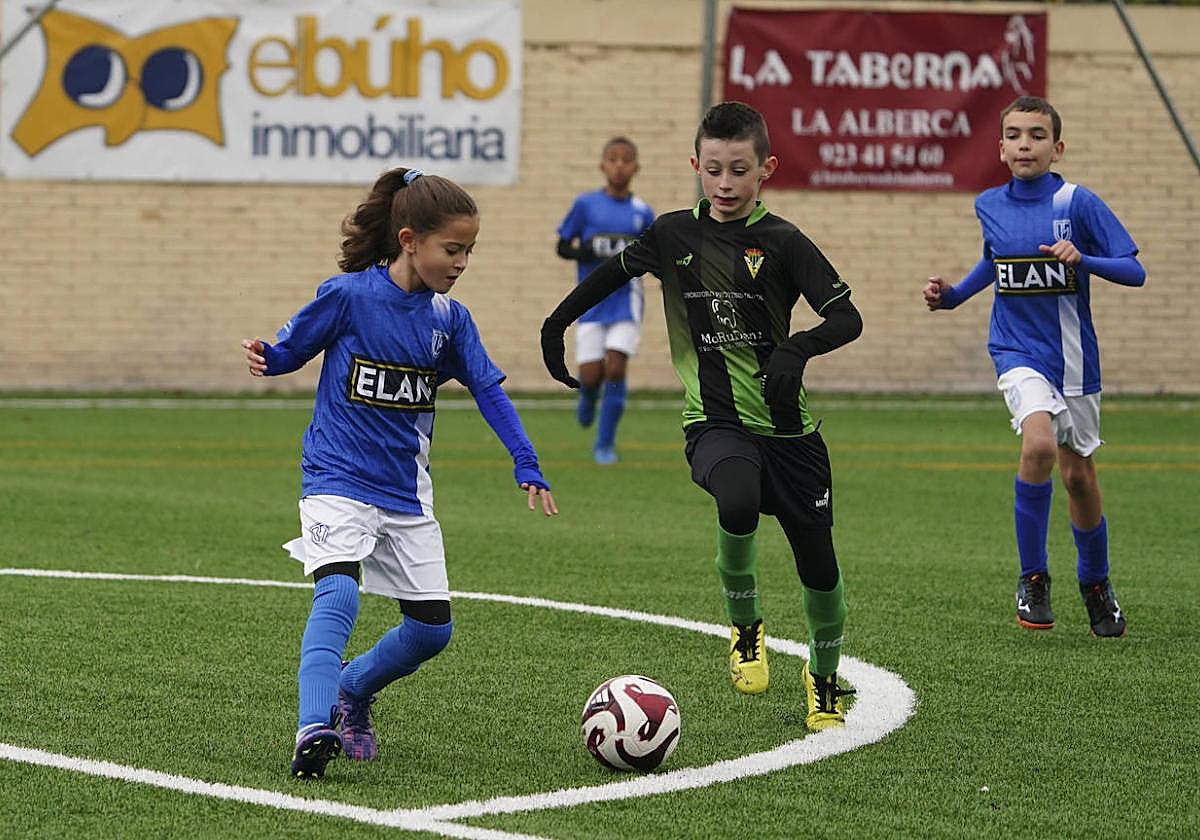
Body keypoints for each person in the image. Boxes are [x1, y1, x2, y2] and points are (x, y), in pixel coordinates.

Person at [542, 102, 863, 730]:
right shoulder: (672, 235)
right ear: (696, 165)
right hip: (715, 423)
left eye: (738, 171)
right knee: (736, 499)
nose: (724, 184)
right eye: (712, 170)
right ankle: (746, 626)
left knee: (819, 568)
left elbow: (846, 318)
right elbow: (608, 276)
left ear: (765, 169)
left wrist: (797, 350)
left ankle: (823, 678)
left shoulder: (784, 242)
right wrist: (557, 321)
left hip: (792, 436)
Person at [241, 166, 559, 780]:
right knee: (337, 592)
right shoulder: (349, 296)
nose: (463, 261)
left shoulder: (451, 319)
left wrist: (526, 461)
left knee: (431, 632)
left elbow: (489, 391)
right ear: (410, 239)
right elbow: (292, 350)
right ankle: (313, 725)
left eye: (470, 250)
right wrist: (269, 357)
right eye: (453, 248)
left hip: (405, 493)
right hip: (334, 477)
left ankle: (351, 692)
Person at [923, 96, 1144, 638]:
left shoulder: (1078, 202)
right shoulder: (990, 204)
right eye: (1015, 135)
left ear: (1057, 147)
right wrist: (952, 297)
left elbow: (1134, 270)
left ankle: (1095, 583)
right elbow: (993, 263)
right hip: (1016, 350)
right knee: (1039, 447)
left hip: (1074, 360)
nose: (1026, 144)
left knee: (1079, 476)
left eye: (1037, 135)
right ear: (1000, 149)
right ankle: (1033, 576)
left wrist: (1082, 258)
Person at [555, 136, 654, 464]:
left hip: (626, 301)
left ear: (636, 168)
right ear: (602, 165)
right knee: (591, 373)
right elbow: (562, 245)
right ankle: (587, 398)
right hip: (591, 302)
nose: (620, 165)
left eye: (627, 160)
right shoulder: (586, 205)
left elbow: (655, 253)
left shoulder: (642, 212)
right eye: (613, 159)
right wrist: (585, 250)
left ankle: (605, 444)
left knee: (615, 367)